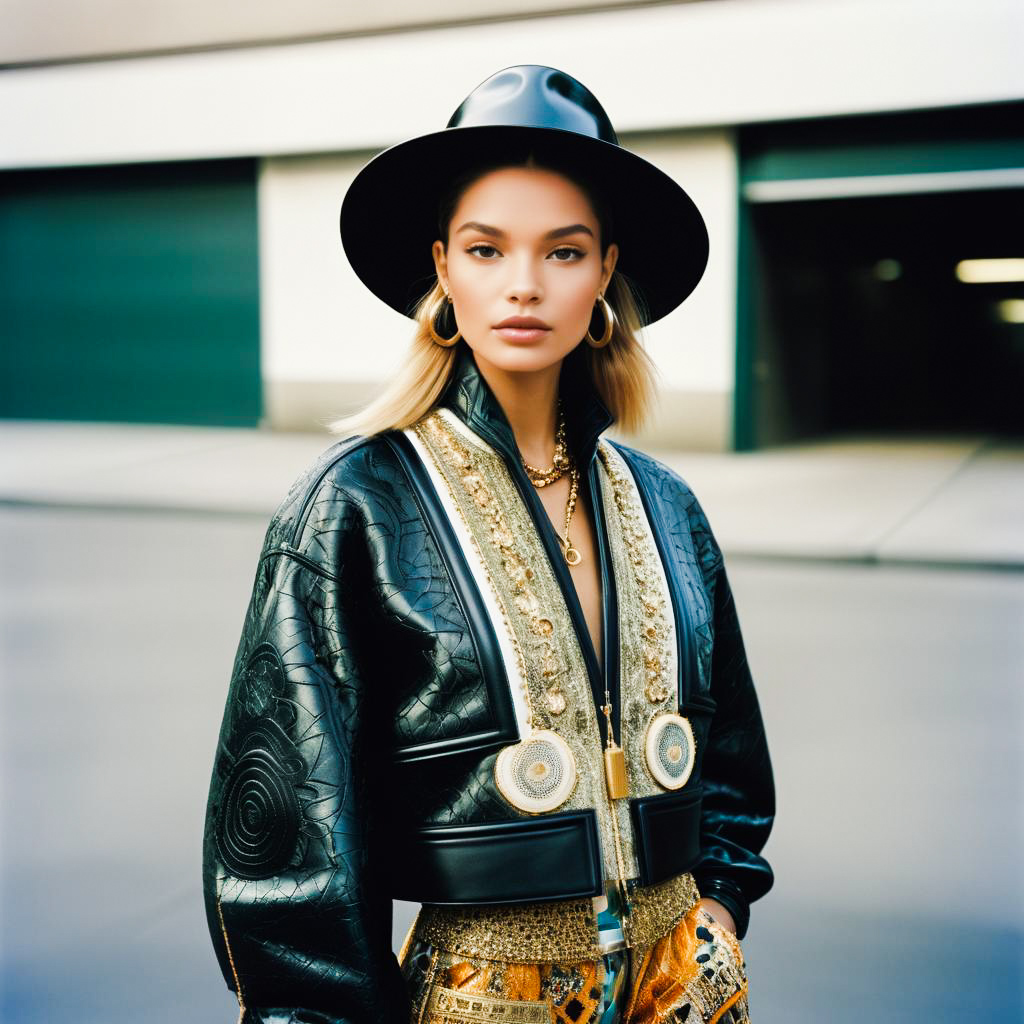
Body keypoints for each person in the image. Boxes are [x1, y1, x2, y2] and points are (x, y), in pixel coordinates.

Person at [202, 65, 775, 1024]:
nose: (522, 285)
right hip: (487, 995)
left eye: (562, 252)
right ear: (442, 267)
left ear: (602, 274)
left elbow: (731, 747)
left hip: (687, 981)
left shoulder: (668, 507)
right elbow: (288, 845)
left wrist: (716, 910)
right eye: (486, 248)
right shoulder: (354, 506)